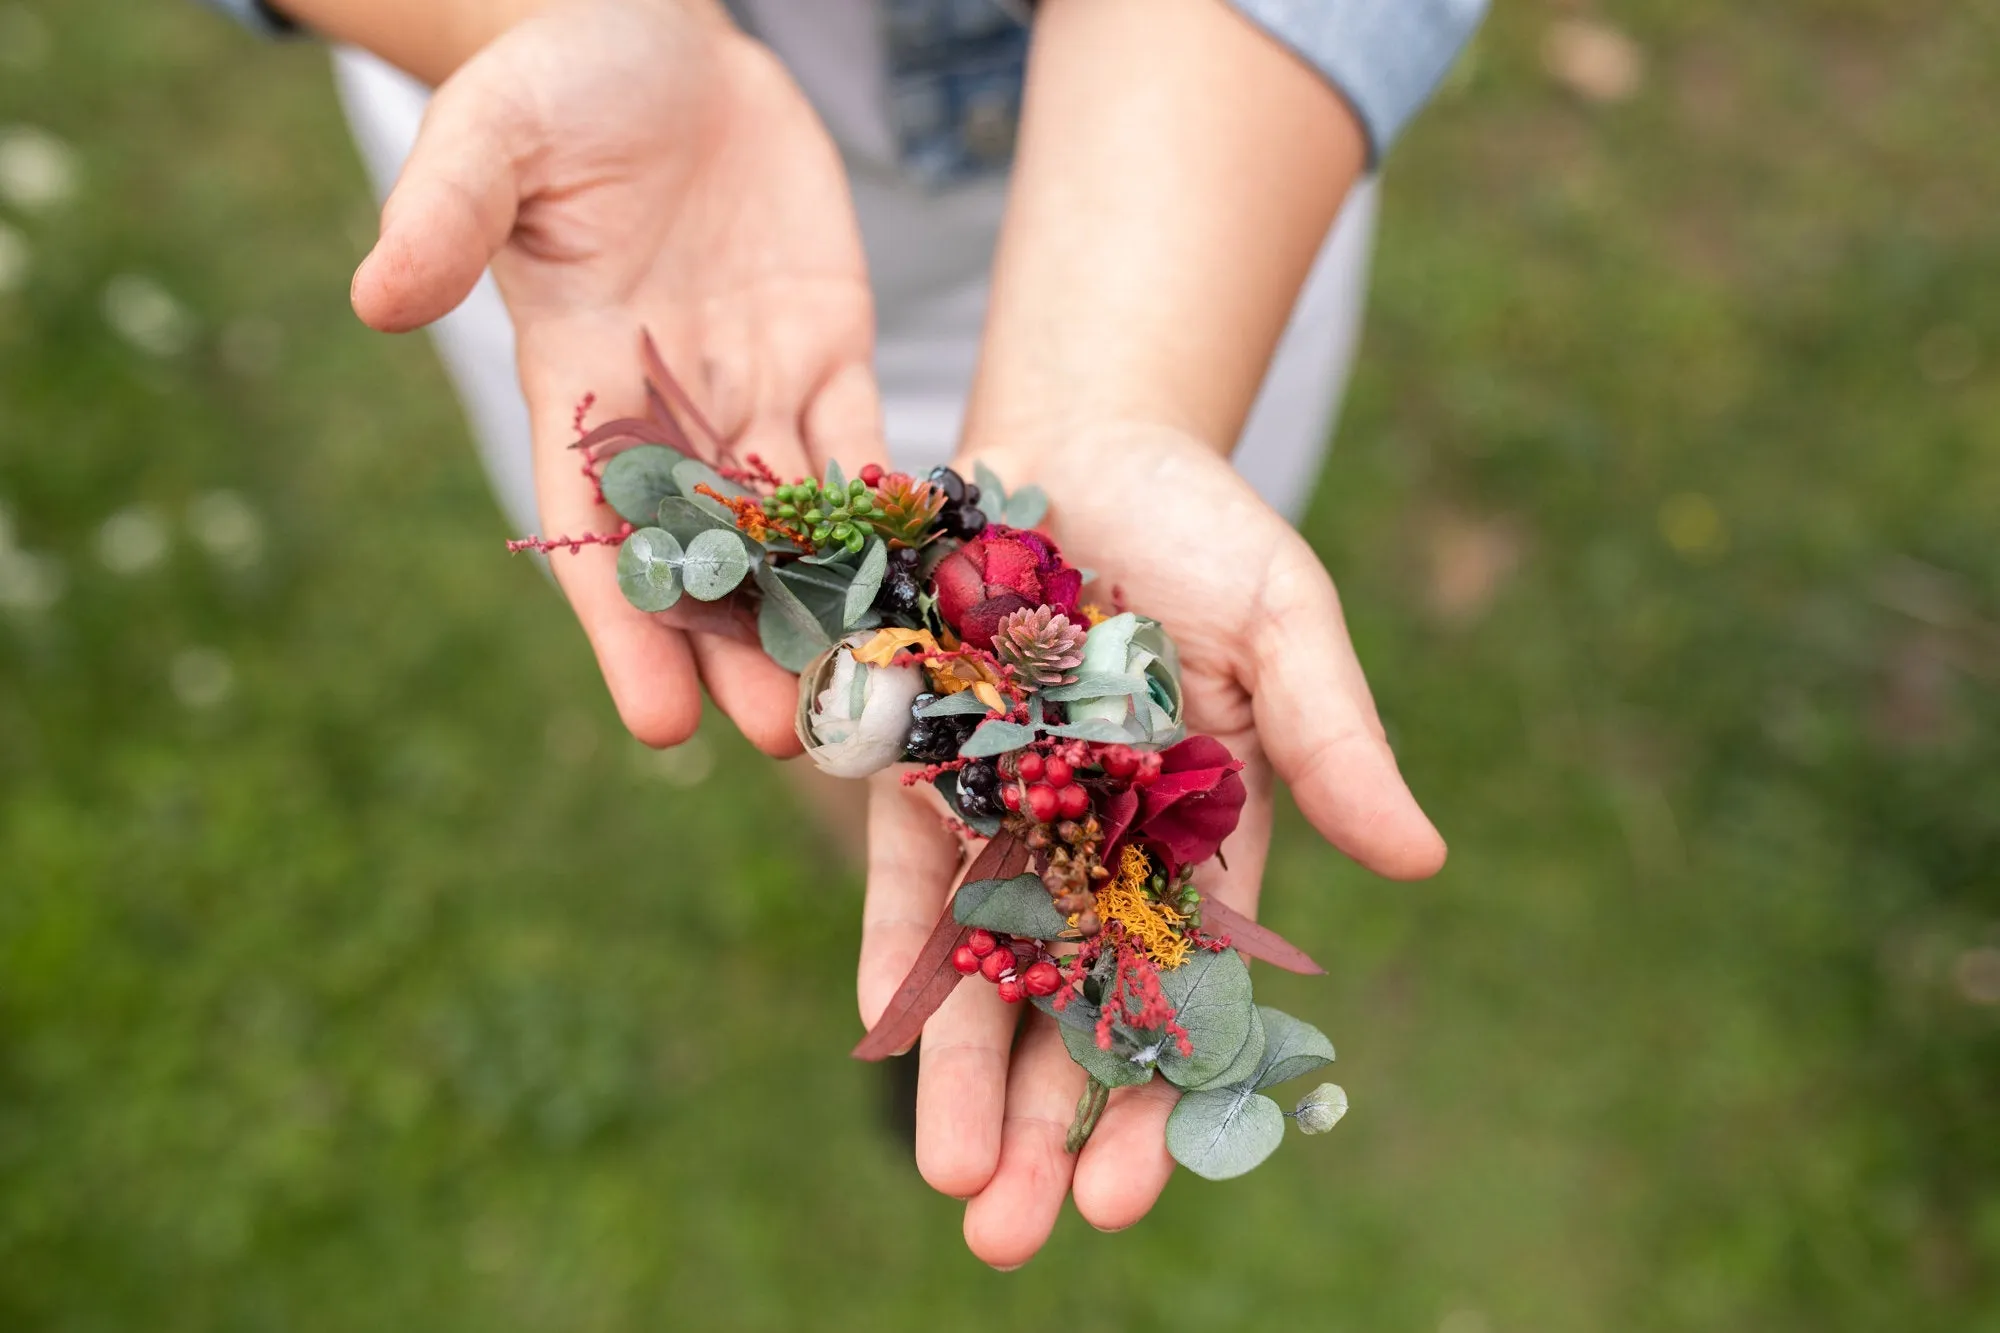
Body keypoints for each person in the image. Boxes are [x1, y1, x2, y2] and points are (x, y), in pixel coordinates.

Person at [199, 0, 1483, 1268]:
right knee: (799, 690)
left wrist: (1116, 399)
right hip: (633, 223)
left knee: (862, 688)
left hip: (1185, 195)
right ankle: (917, 861)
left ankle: (989, 918)